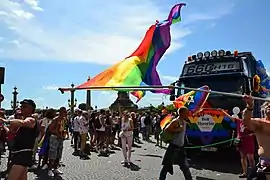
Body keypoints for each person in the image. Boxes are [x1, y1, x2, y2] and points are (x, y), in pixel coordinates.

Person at [0, 99, 37, 180]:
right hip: (18, 154)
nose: (21, 108)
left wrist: (6, 121)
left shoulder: (31, 119)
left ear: (31, 109)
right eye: (21, 106)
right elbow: (11, 133)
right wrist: (4, 126)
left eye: (24, 107)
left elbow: (27, 123)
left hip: (23, 155)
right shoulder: (22, 122)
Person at [219, 109, 255, 178]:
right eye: (243, 113)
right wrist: (222, 111)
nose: (244, 114)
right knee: (243, 157)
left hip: (249, 141)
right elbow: (230, 117)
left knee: (250, 158)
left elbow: (257, 131)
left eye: (245, 113)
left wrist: (252, 134)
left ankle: (253, 173)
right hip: (240, 141)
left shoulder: (252, 122)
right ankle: (245, 172)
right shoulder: (239, 121)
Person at [159, 107, 192, 180]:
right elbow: (167, 129)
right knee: (166, 166)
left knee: (185, 166)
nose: (188, 113)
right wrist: (178, 129)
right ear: (182, 113)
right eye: (186, 112)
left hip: (181, 148)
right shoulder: (176, 121)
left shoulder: (185, 122)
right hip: (173, 147)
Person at [242, 95, 270, 180]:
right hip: (266, 163)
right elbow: (246, 121)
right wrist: (250, 106)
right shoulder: (260, 123)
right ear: (264, 109)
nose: (269, 106)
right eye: (268, 104)